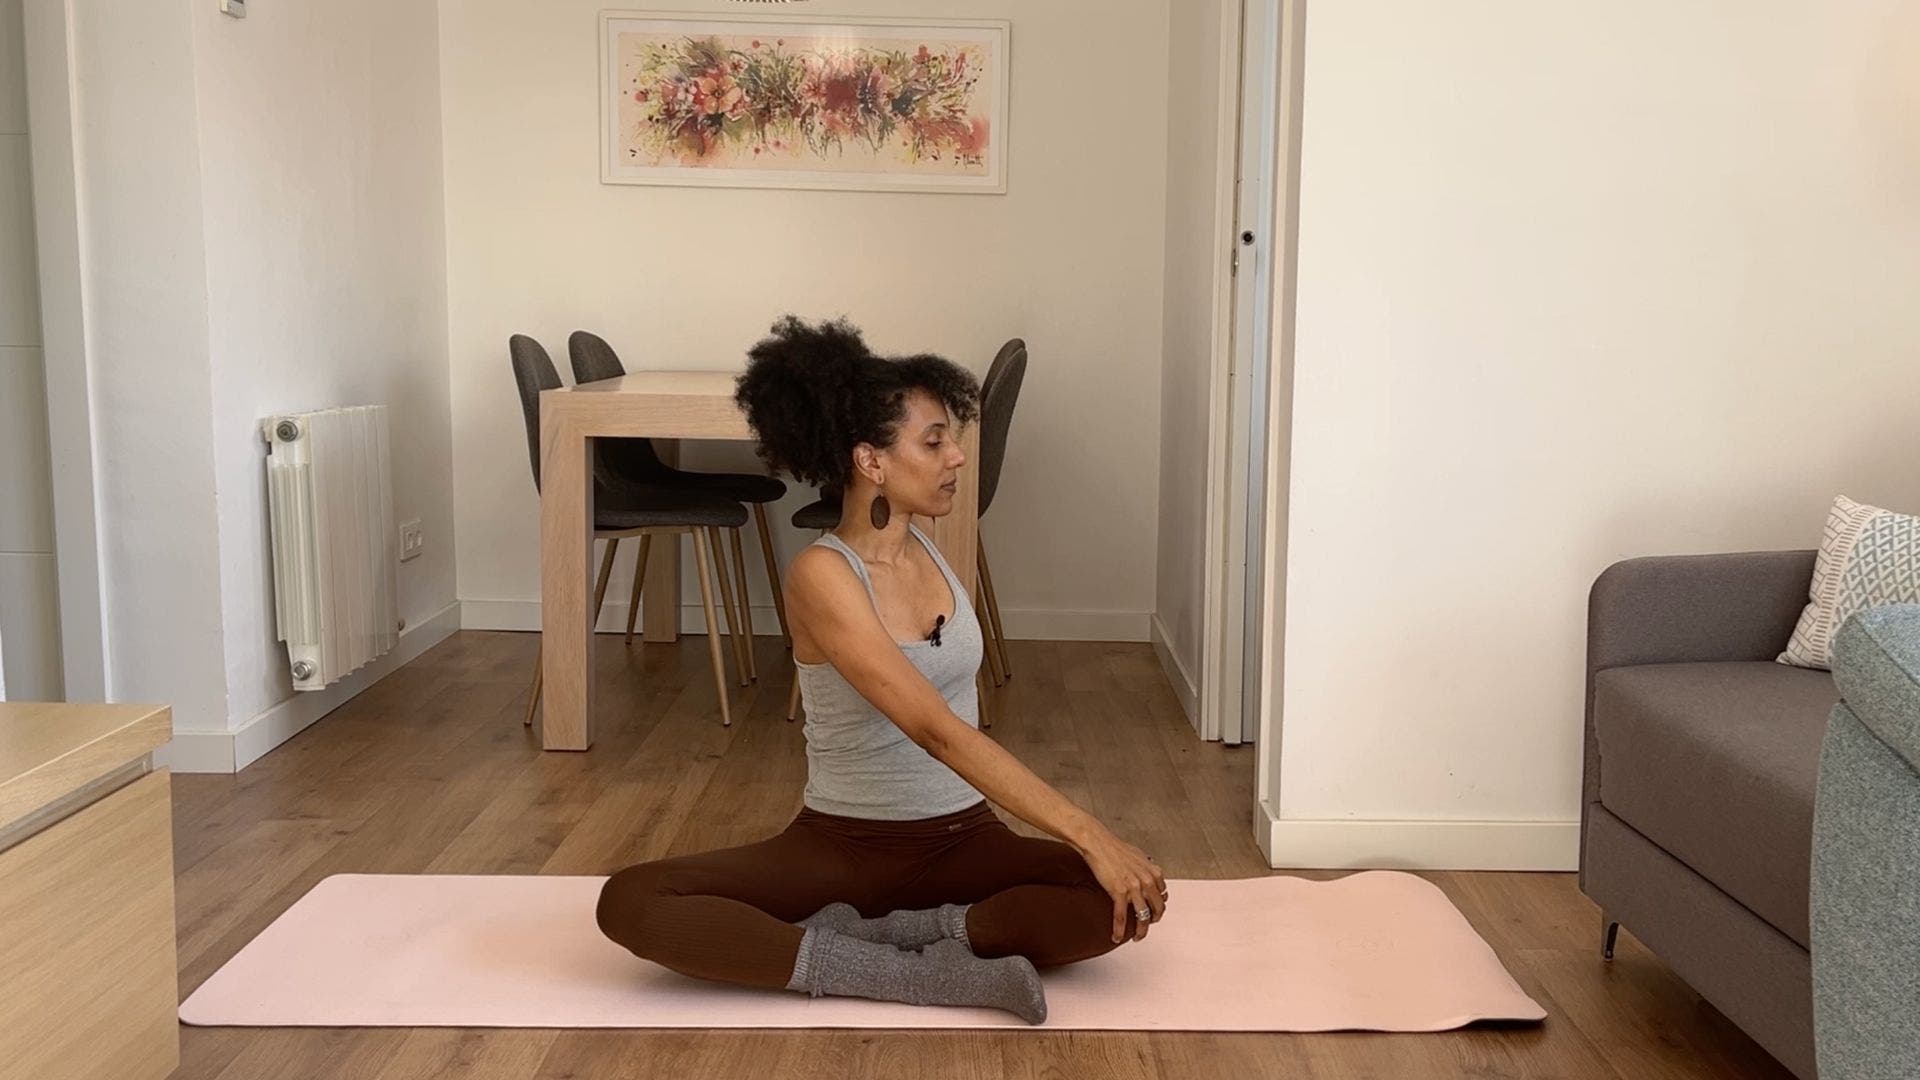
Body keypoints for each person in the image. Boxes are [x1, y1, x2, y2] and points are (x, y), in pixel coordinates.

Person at [595, 316, 1168, 1024]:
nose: (956, 456)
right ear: (870, 461)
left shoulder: (930, 548)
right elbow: (936, 729)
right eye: (934, 442)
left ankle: (915, 933)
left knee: (1123, 897)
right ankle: (904, 974)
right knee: (629, 900)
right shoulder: (823, 575)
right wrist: (1089, 831)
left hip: (964, 841)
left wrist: (1105, 857)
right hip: (843, 847)